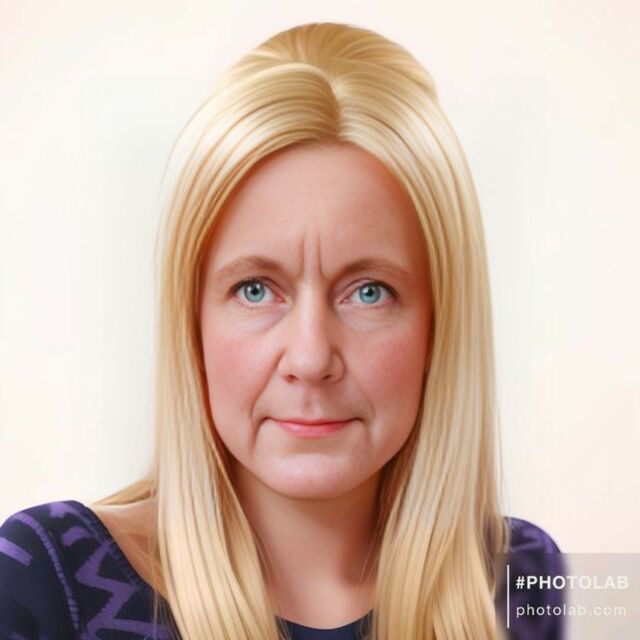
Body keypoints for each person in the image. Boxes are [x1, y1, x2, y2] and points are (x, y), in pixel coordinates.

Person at [0, 22, 564, 640]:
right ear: (192, 323)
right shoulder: (44, 581)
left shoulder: (524, 578)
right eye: (255, 289)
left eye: (369, 292)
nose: (311, 358)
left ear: (440, 327)